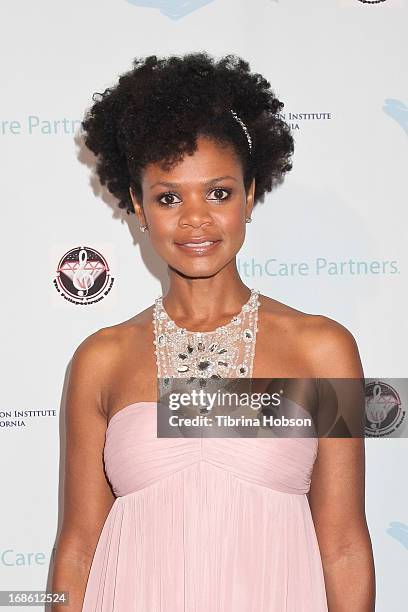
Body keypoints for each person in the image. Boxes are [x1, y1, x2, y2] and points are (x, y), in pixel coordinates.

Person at [51, 52, 376, 611]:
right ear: (137, 204)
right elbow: (78, 548)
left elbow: (344, 546)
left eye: (219, 193)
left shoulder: (323, 349)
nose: (195, 219)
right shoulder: (100, 360)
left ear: (250, 195)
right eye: (169, 196)